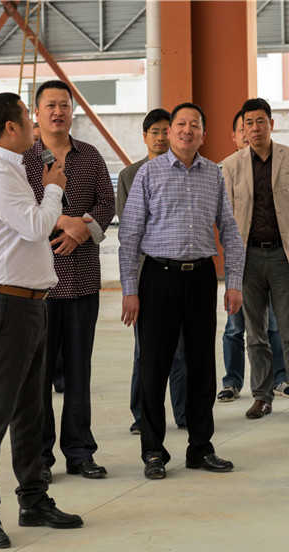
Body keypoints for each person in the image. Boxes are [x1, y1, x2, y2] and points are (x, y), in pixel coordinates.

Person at [0, 92, 83, 549]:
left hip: (29, 305)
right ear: (11, 128)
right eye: (28, 119)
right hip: (5, 306)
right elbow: (36, 226)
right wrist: (54, 186)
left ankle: (33, 500)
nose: (37, 126)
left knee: (31, 411)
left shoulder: (12, 168)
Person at [119, 102, 245, 479]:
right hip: (158, 278)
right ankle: (153, 451)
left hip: (201, 278)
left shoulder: (213, 175)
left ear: (203, 135)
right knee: (154, 366)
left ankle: (200, 447)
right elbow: (130, 235)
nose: (187, 130)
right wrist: (130, 289)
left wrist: (234, 283)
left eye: (195, 125)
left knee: (202, 366)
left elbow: (229, 230)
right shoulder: (149, 173)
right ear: (170, 131)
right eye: (180, 124)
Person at [24, 80, 115, 481]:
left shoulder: (90, 156)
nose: (57, 111)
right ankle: (40, 457)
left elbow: (107, 203)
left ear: (72, 111)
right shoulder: (24, 160)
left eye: (64, 105)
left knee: (79, 372)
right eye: (50, 105)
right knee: (39, 376)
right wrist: (62, 221)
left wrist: (82, 230)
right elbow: (21, 209)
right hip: (38, 285)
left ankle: (80, 452)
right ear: (37, 113)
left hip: (82, 282)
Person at [221, 98, 289, 420]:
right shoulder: (231, 165)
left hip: (283, 256)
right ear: (243, 128)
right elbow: (227, 219)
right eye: (249, 123)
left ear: (271, 124)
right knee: (255, 334)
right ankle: (261, 397)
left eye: (261, 121)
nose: (255, 128)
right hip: (248, 258)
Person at [116, 108, 187, 434]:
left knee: (181, 349)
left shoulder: (184, 170)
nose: (160, 137)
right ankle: (142, 415)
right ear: (145, 137)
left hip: (180, 272)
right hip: (147, 272)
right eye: (154, 132)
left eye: (164, 131)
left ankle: (184, 412)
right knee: (145, 349)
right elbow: (130, 230)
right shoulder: (130, 176)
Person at [219, 110, 289, 403]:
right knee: (235, 325)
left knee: (274, 323)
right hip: (242, 257)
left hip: (275, 254)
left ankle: (280, 378)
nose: (250, 132)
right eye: (244, 128)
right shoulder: (229, 168)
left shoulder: (282, 161)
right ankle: (232, 380)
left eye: (257, 124)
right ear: (236, 135)